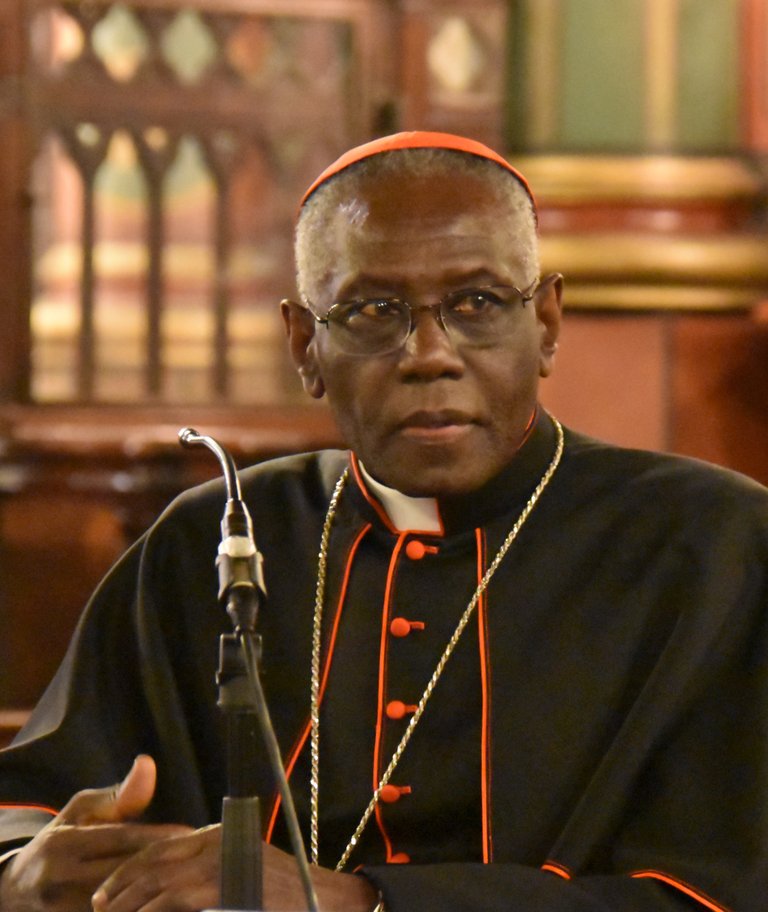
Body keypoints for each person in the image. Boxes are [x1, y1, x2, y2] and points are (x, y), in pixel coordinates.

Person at [0, 130, 767, 912]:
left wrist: (361, 902)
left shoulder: (713, 546)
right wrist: (24, 867)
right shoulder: (217, 537)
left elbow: (726, 891)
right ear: (305, 346)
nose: (429, 354)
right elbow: (31, 802)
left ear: (546, 323)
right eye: (372, 310)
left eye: (477, 303)